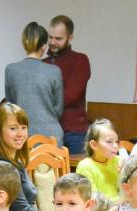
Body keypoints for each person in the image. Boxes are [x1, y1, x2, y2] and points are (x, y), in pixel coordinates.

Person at [5, 22, 64, 145]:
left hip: (22, 135)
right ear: (44, 46)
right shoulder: (54, 71)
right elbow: (58, 109)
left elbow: (11, 105)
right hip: (52, 135)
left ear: (24, 43)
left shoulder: (11, 70)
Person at [45, 14, 91, 155]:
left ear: (70, 38)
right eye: (50, 37)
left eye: (58, 38)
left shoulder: (80, 60)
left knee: (76, 169)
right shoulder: (43, 63)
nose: (53, 42)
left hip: (74, 132)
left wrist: (43, 104)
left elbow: (72, 95)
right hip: (48, 131)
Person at [76, 118, 122, 211]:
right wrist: (122, 201)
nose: (115, 146)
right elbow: (94, 202)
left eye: (117, 142)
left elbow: (129, 190)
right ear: (94, 145)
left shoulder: (118, 161)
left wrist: (124, 176)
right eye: (109, 141)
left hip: (120, 209)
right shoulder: (85, 166)